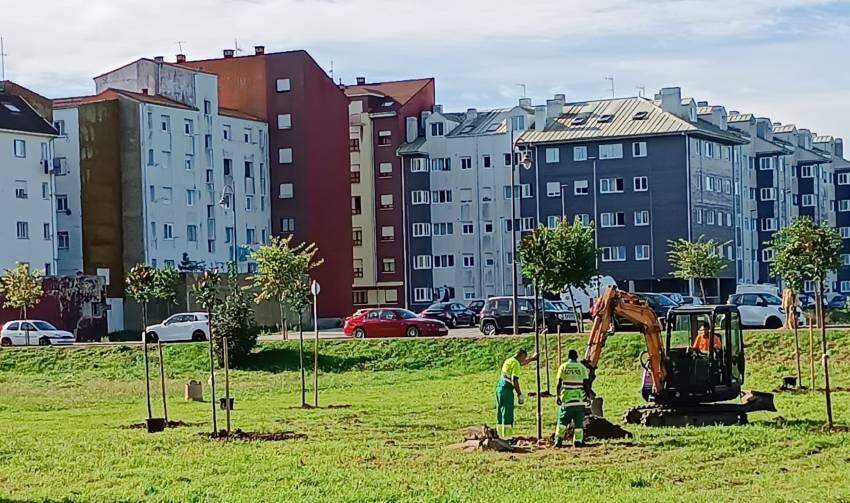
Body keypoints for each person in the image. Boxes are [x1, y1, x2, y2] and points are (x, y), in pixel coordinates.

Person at [495, 348, 538, 438]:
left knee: (500, 412)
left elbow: (521, 363)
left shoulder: (509, 361)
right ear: (521, 356)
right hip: (507, 390)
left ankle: (500, 435)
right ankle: (507, 437)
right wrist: (519, 394)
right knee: (508, 413)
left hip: (499, 389)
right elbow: (514, 380)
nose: (524, 360)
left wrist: (532, 359)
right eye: (524, 358)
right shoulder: (515, 364)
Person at [555, 349, 590, 447]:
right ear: (577, 356)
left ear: (568, 356)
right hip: (579, 400)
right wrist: (588, 396)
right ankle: (578, 441)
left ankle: (558, 440)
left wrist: (557, 396)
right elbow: (586, 384)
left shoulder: (563, 366)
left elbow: (559, 384)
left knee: (562, 422)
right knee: (579, 424)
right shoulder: (582, 367)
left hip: (566, 399)